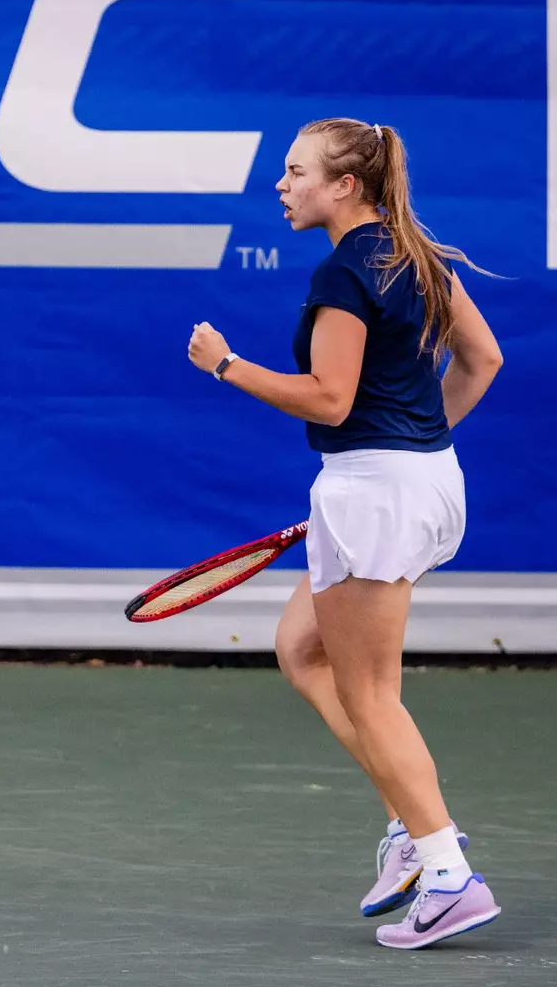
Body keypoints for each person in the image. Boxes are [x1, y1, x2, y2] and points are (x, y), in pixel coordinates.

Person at [186, 118, 505, 949]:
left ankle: (445, 871)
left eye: (295, 173)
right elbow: (483, 361)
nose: (282, 186)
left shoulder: (341, 273)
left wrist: (226, 365)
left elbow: (329, 399)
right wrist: (412, 447)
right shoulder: (417, 257)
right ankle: (410, 826)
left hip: (376, 491)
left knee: (370, 695)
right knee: (302, 648)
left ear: (344, 187)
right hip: (420, 480)